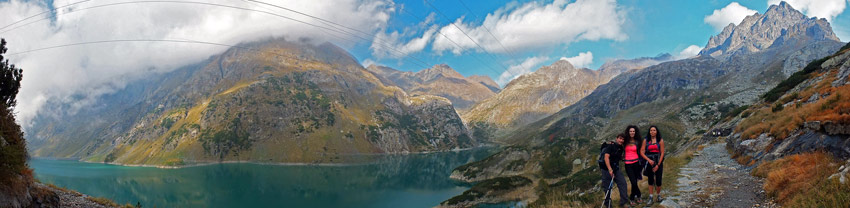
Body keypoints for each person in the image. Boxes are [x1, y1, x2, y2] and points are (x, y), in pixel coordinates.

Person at [599, 133, 629, 207]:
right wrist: (610, 170)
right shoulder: (610, 146)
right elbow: (606, 157)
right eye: (620, 138)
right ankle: (608, 205)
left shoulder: (620, 148)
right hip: (606, 170)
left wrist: (623, 158)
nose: (621, 140)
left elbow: (617, 157)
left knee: (623, 183)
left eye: (623, 139)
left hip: (615, 169)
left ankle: (623, 202)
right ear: (617, 138)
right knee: (607, 188)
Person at [641, 125, 665, 204]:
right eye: (651, 130)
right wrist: (648, 160)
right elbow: (642, 152)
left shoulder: (660, 140)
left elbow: (662, 153)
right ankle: (651, 197)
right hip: (649, 161)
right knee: (650, 179)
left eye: (654, 130)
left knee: (658, 179)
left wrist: (658, 164)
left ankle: (658, 195)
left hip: (658, 160)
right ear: (649, 131)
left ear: (656, 131)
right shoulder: (646, 140)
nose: (652, 132)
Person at [622, 125, 643, 205]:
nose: (632, 132)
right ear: (628, 132)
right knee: (633, 182)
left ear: (635, 132)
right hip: (628, 164)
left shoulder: (638, 141)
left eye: (633, 131)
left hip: (636, 163)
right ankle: (637, 195)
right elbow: (619, 145)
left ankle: (633, 198)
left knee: (634, 182)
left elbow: (641, 150)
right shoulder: (625, 141)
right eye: (630, 131)